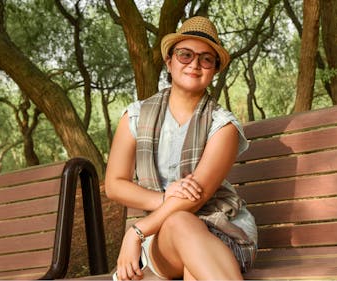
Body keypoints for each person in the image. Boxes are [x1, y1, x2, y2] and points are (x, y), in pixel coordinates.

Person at [105, 16, 257, 280]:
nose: (195, 65)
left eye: (206, 59)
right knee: (178, 221)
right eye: (185, 55)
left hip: (223, 227)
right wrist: (165, 198)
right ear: (169, 61)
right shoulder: (135, 117)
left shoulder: (223, 126)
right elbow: (115, 184)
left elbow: (195, 197)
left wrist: (137, 230)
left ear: (215, 69)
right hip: (163, 237)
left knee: (192, 263)